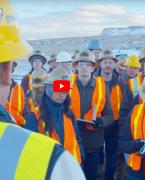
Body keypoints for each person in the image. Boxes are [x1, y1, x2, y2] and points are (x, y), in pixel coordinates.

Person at [0, 1, 85, 179]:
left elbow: (77, 139)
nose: (61, 94)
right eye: (58, 90)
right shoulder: (35, 116)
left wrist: (81, 156)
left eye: (64, 91)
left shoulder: (69, 114)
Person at [70, 49, 113, 180]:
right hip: (71, 141)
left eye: (87, 65)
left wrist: (102, 122)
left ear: (93, 68)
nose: (84, 68)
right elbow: (53, 103)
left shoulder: (102, 86)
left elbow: (110, 115)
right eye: (81, 64)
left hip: (93, 142)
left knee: (90, 176)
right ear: (76, 66)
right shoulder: (65, 82)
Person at [95, 50, 134, 180]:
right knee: (96, 153)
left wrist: (123, 126)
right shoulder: (92, 81)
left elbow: (127, 106)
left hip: (115, 125)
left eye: (110, 62)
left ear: (114, 65)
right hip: (96, 125)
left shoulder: (122, 83)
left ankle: (108, 177)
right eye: (105, 62)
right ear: (100, 64)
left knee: (112, 156)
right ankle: (97, 172)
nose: (108, 65)